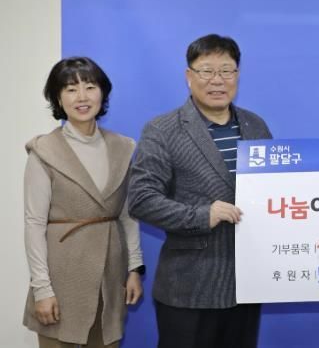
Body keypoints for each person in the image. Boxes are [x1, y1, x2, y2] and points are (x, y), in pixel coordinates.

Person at [128, 34, 272, 348]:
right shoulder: (162, 130)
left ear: (238, 75)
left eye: (227, 70)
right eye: (207, 70)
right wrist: (202, 215)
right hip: (189, 289)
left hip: (246, 284)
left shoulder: (256, 126)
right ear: (189, 76)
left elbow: (274, 193)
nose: (217, 80)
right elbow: (141, 199)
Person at [23, 57, 145, 348]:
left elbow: (127, 215)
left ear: (102, 93)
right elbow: (34, 223)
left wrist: (134, 269)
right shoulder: (44, 150)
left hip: (110, 277)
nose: (82, 97)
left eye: (90, 87)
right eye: (70, 89)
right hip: (61, 279)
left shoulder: (123, 147)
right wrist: (42, 289)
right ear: (58, 98)